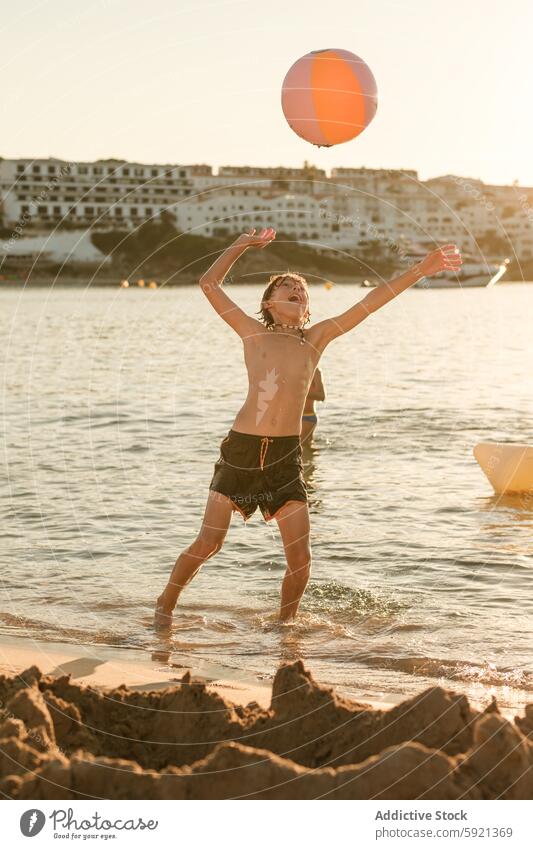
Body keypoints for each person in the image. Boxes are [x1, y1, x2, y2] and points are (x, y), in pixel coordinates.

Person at [155, 228, 461, 626]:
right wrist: (241, 246)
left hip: (285, 457)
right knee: (210, 542)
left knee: (300, 560)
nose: (297, 290)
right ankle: (165, 605)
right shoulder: (252, 333)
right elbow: (209, 283)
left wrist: (421, 269)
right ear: (269, 302)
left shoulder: (316, 339)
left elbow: (371, 301)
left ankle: (285, 627)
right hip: (242, 452)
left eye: (302, 289)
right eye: (287, 287)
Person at [301, 367, 325, 446]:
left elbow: (322, 396)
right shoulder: (292, 367)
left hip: (307, 417)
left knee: (303, 449)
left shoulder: (315, 371)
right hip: (291, 417)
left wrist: (301, 394)